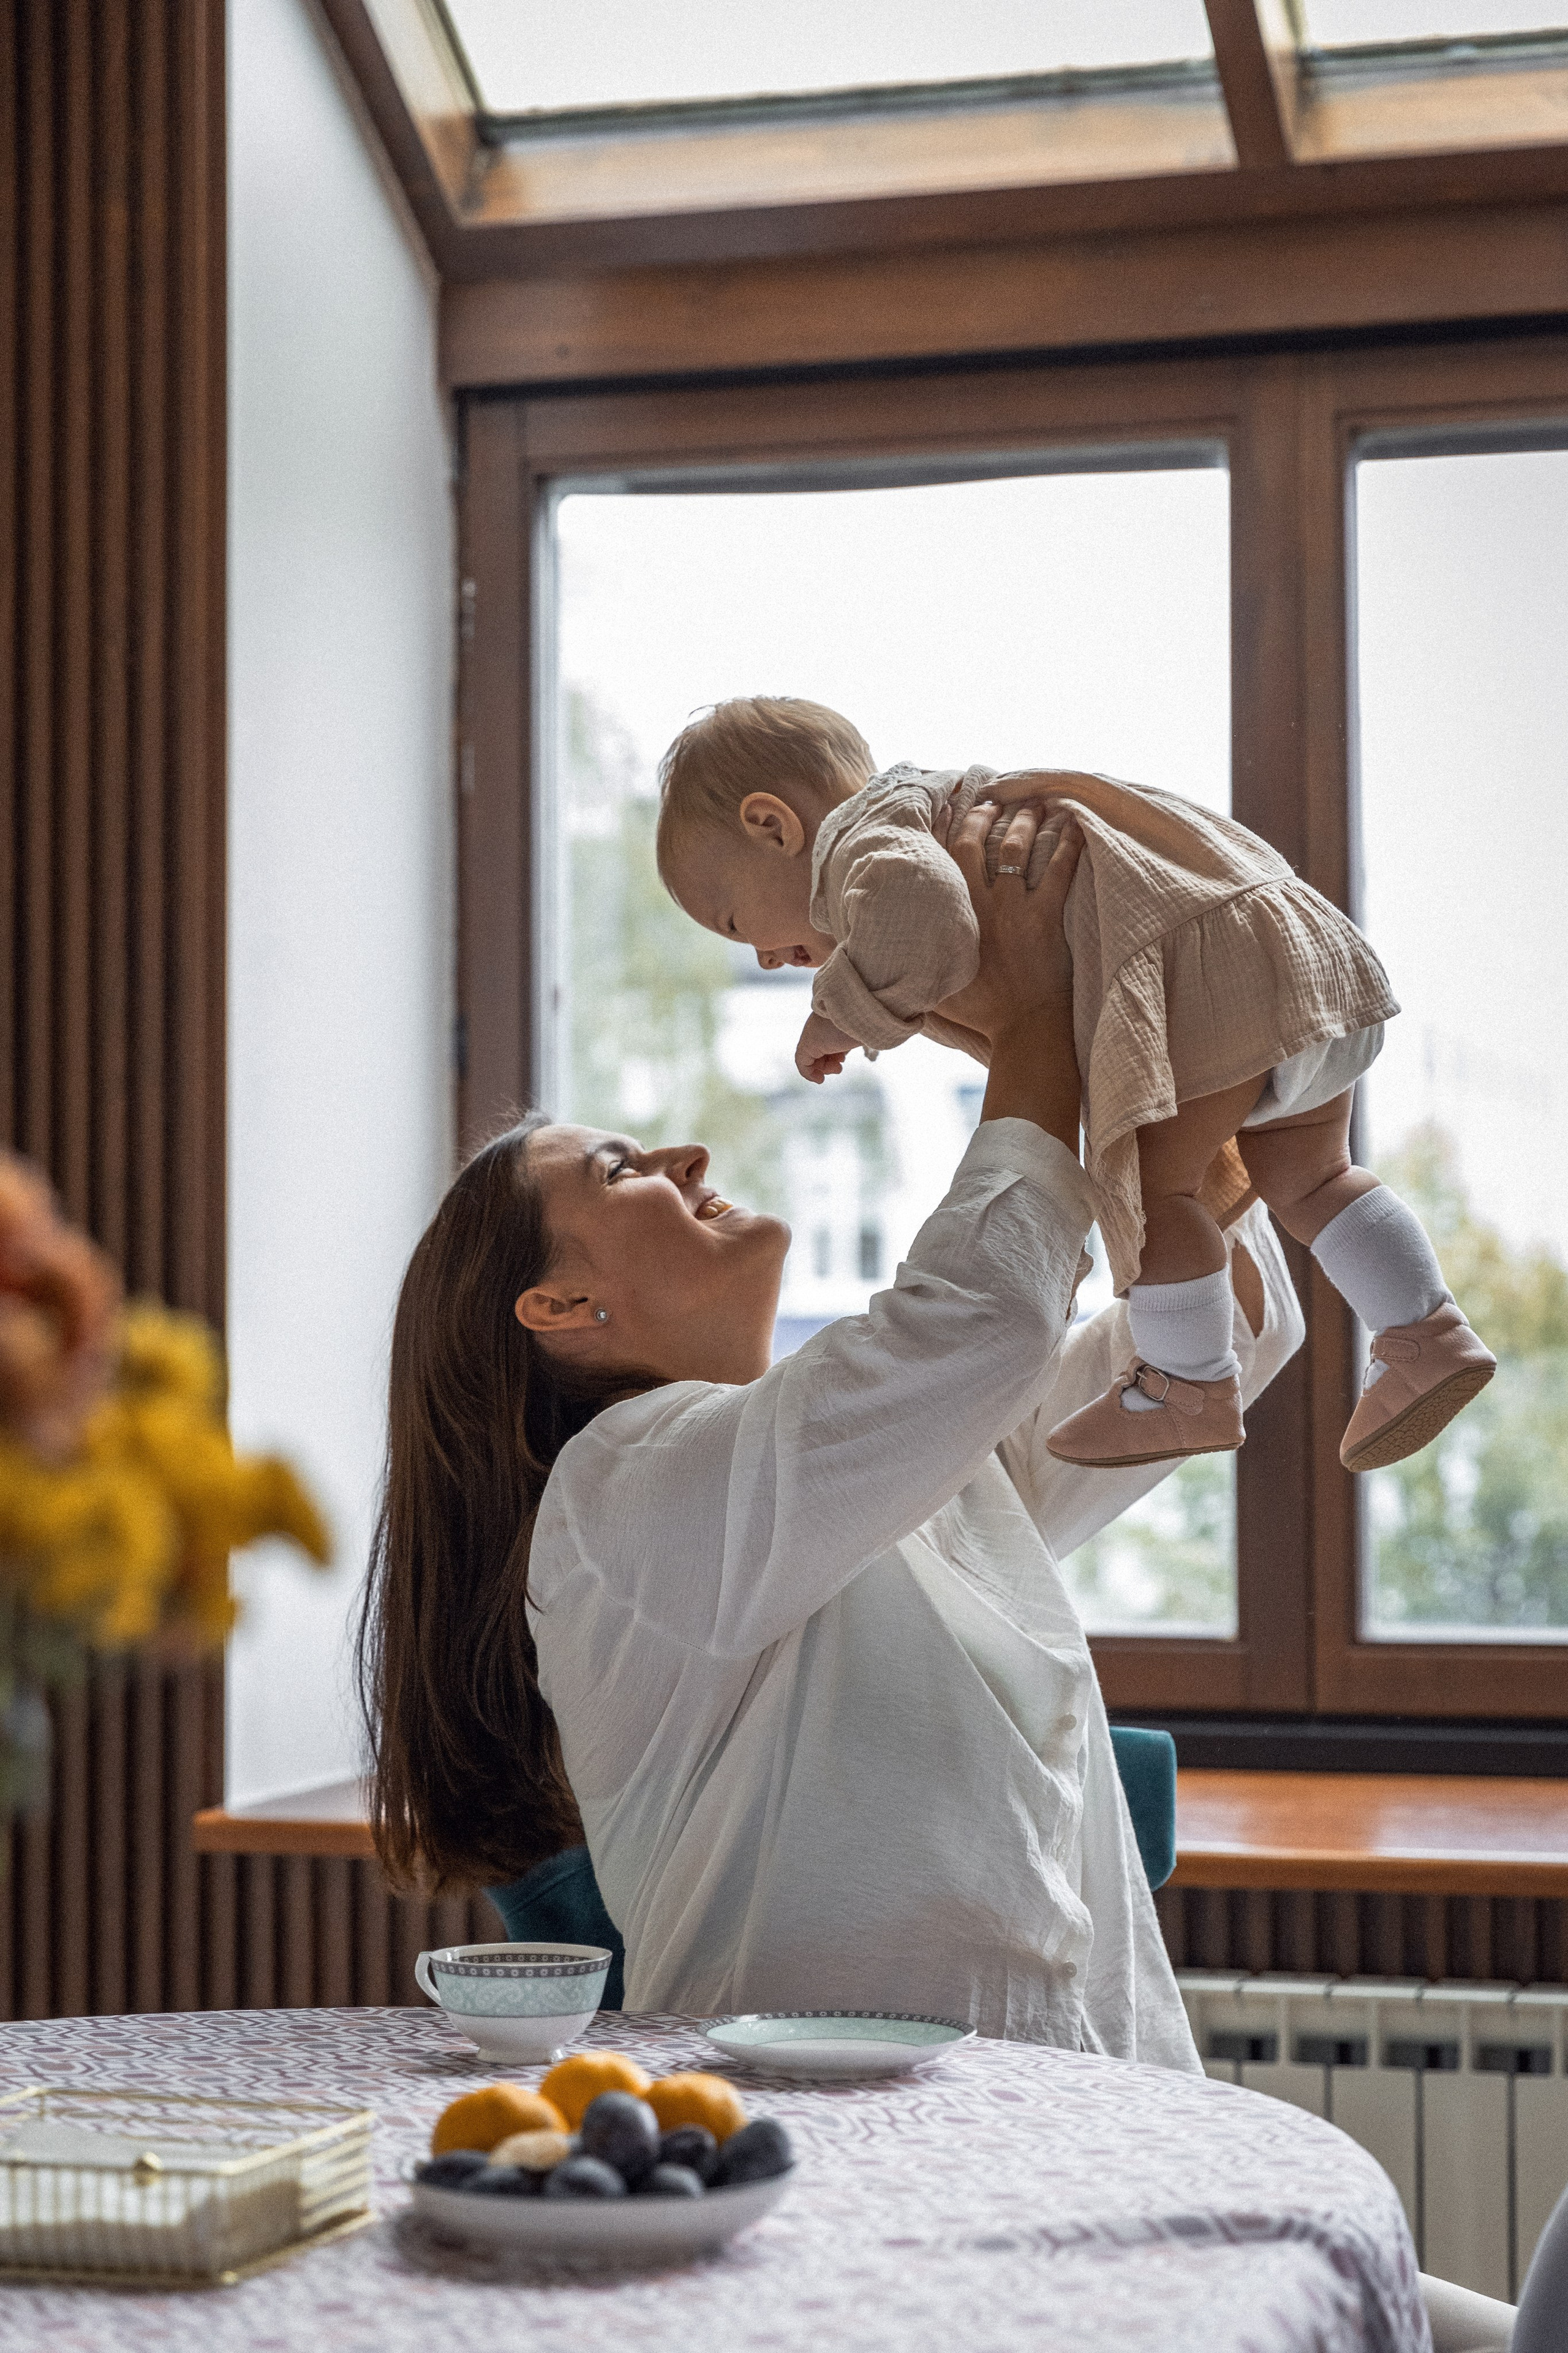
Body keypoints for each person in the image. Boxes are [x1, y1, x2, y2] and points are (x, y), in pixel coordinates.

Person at [358, 801, 1303, 2061]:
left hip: (1095, 2109)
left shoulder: (870, 1462)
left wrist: (1176, 1120)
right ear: (561, 1305)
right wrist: (1028, 1027)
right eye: (626, 1165)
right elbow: (979, 1322)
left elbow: (1224, 1338)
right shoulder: (614, 1501)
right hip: (842, 2164)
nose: (690, 1152)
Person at [655, 696, 1494, 1476]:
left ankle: (1186, 1385)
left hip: (1204, 989)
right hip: (1291, 955)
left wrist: (839, 1014)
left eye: (734, 921)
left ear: (772, 825)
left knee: (1154, 1197)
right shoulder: (933, 810)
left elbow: (926, 925)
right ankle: (1426, 1330)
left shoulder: (860, 843)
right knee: (1311, 1175)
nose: (762, 956)